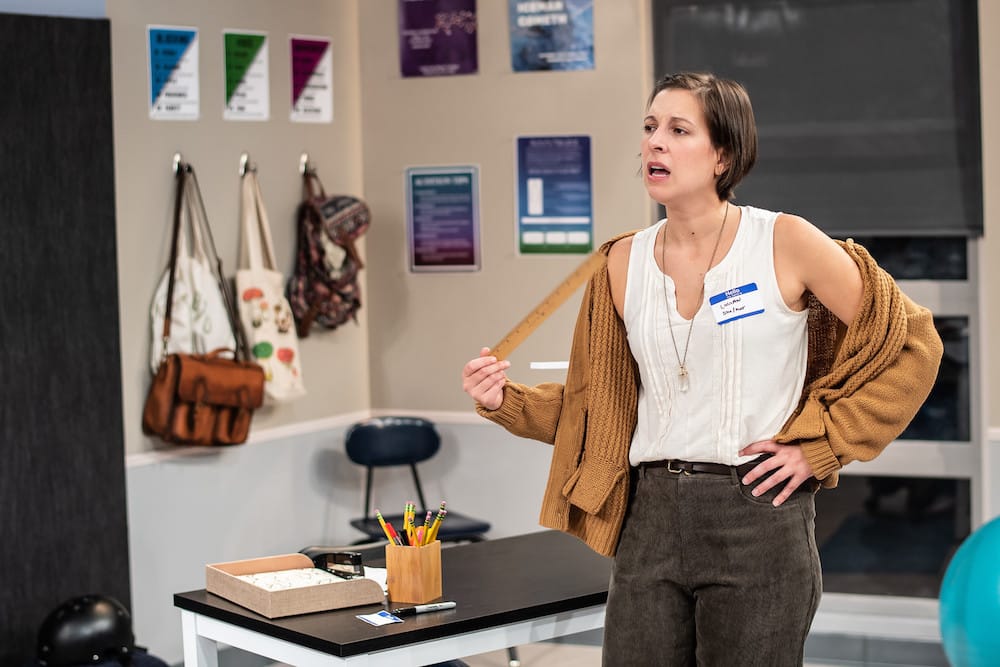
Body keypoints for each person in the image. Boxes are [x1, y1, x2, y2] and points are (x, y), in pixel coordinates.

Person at [461, 72, 944, 666]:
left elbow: (912, 345)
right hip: (649, 516)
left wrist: (824, 446)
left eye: (678, 129)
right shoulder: (619, 262)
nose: (654, 143)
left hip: (758, 515)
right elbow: (599, 412)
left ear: (723, 155)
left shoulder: (785, 240)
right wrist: (502, 401)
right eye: (649, 127)